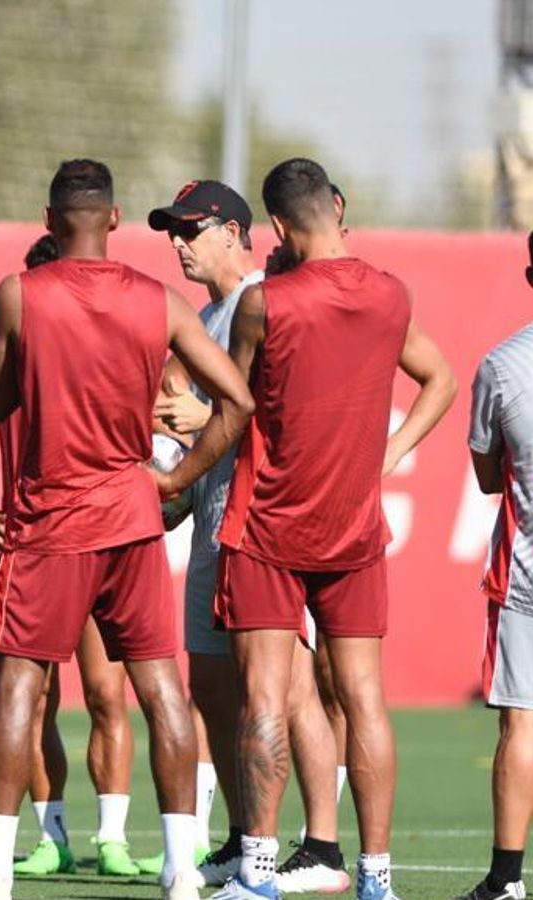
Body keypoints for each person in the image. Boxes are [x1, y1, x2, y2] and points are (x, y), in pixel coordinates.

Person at [0, 159, 255, 900]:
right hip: (132, 517)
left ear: (49, 220)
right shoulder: (158, 301)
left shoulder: (19, 296)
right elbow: (239, 399)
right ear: (115, 219)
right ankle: (182, 870)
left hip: (50, 520)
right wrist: (178, 480)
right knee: (161, 691)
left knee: (19, 688)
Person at [209, 158, 456, 900]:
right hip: (353, 530)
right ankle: (376, 875)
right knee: (364, 699)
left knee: (263, 698)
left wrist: (170, 480)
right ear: (336, 209)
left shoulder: (266, 304)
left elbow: (231, 411)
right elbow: (440, 379)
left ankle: (255, 870)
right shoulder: (390, 294)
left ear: (277, 227)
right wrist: (392, 450)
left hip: (268, 531)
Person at [144, 179, 349, 893]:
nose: (177, 242)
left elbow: (277, 416)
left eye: (189, 228)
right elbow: (199, 425)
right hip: (213, 519)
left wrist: (192, 428)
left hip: (264, 522)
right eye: (171, 230)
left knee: (289, 689)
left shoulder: (267, 299)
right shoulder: (208, 313)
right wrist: (173, 482)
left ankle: (321, 848)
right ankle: (241, 835)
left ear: (233, 231)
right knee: (215, 690)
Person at [452, 230, 533, 900]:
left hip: (527, 578)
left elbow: (486, 476)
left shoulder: (502, 365)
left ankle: (506, 879)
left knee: (521, 723)